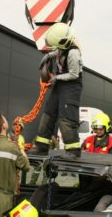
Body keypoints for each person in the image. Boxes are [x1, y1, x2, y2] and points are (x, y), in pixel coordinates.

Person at [30, 22, 83, 158]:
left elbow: (74, 74)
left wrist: (57, 78)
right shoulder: (62, 48)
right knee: (49, 113)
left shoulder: (73, 53)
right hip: (59, 84)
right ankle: (41, 146)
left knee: (66, 118)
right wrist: (48, 56)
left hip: (71, 86)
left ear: (64, 42)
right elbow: (57, 52)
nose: (57, 49)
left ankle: (73, 151)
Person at [0, 110, 30, 217]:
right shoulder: (12, 147)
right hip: (4, 199)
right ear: (3, 126)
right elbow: (26, 167)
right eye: (5, 119)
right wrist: (20, 148)